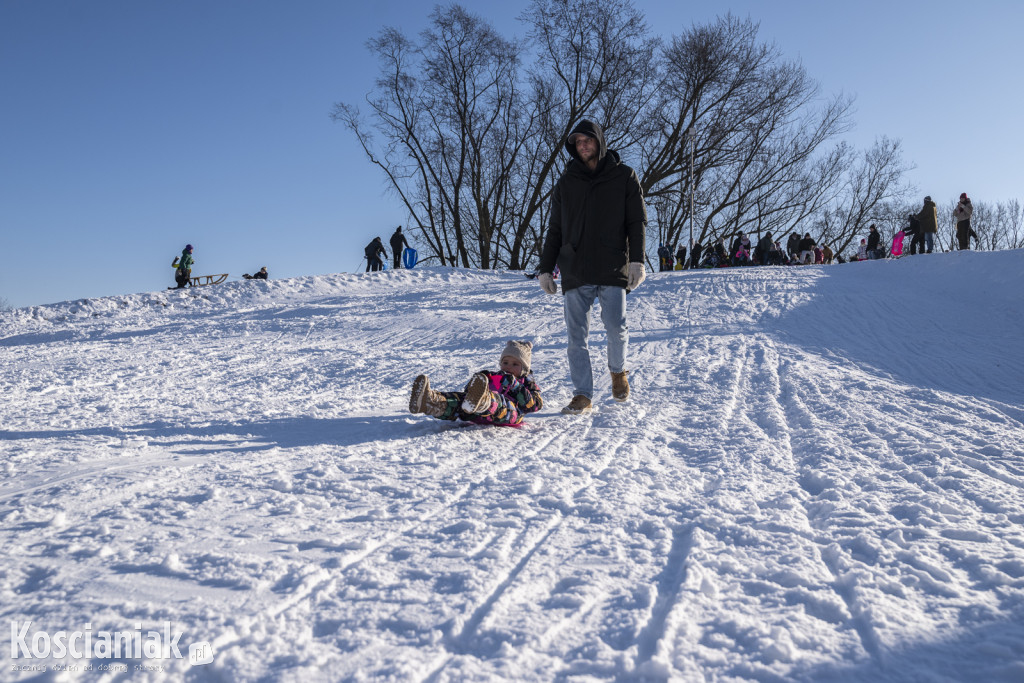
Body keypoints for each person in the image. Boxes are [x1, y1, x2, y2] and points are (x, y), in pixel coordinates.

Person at [536, 119, 647, 414]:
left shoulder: (624, 176)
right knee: (576, 337)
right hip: (575, 267)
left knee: (616, 326)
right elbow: (555, 228)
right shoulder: (566, 183)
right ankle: (582, 394)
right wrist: (545, 268)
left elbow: (637, 221)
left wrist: (636, 260)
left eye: (587, 140)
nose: (583, 146)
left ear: (599, 141)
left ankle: (618, 372)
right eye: (577, 143)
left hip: (612, 264)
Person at [409, 340, 543, 427]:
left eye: (514, 364)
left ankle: (485, 401)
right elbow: (468, 392)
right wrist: (481, 380)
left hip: (509, 415)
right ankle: (431, 402)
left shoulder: (526, 382)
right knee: (460, 401)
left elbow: (534, 406)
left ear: (524, 369)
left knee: (501, 401)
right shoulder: (495, 377)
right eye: (505, 362)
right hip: (476, 413)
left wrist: (516, 386)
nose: (508, 367)